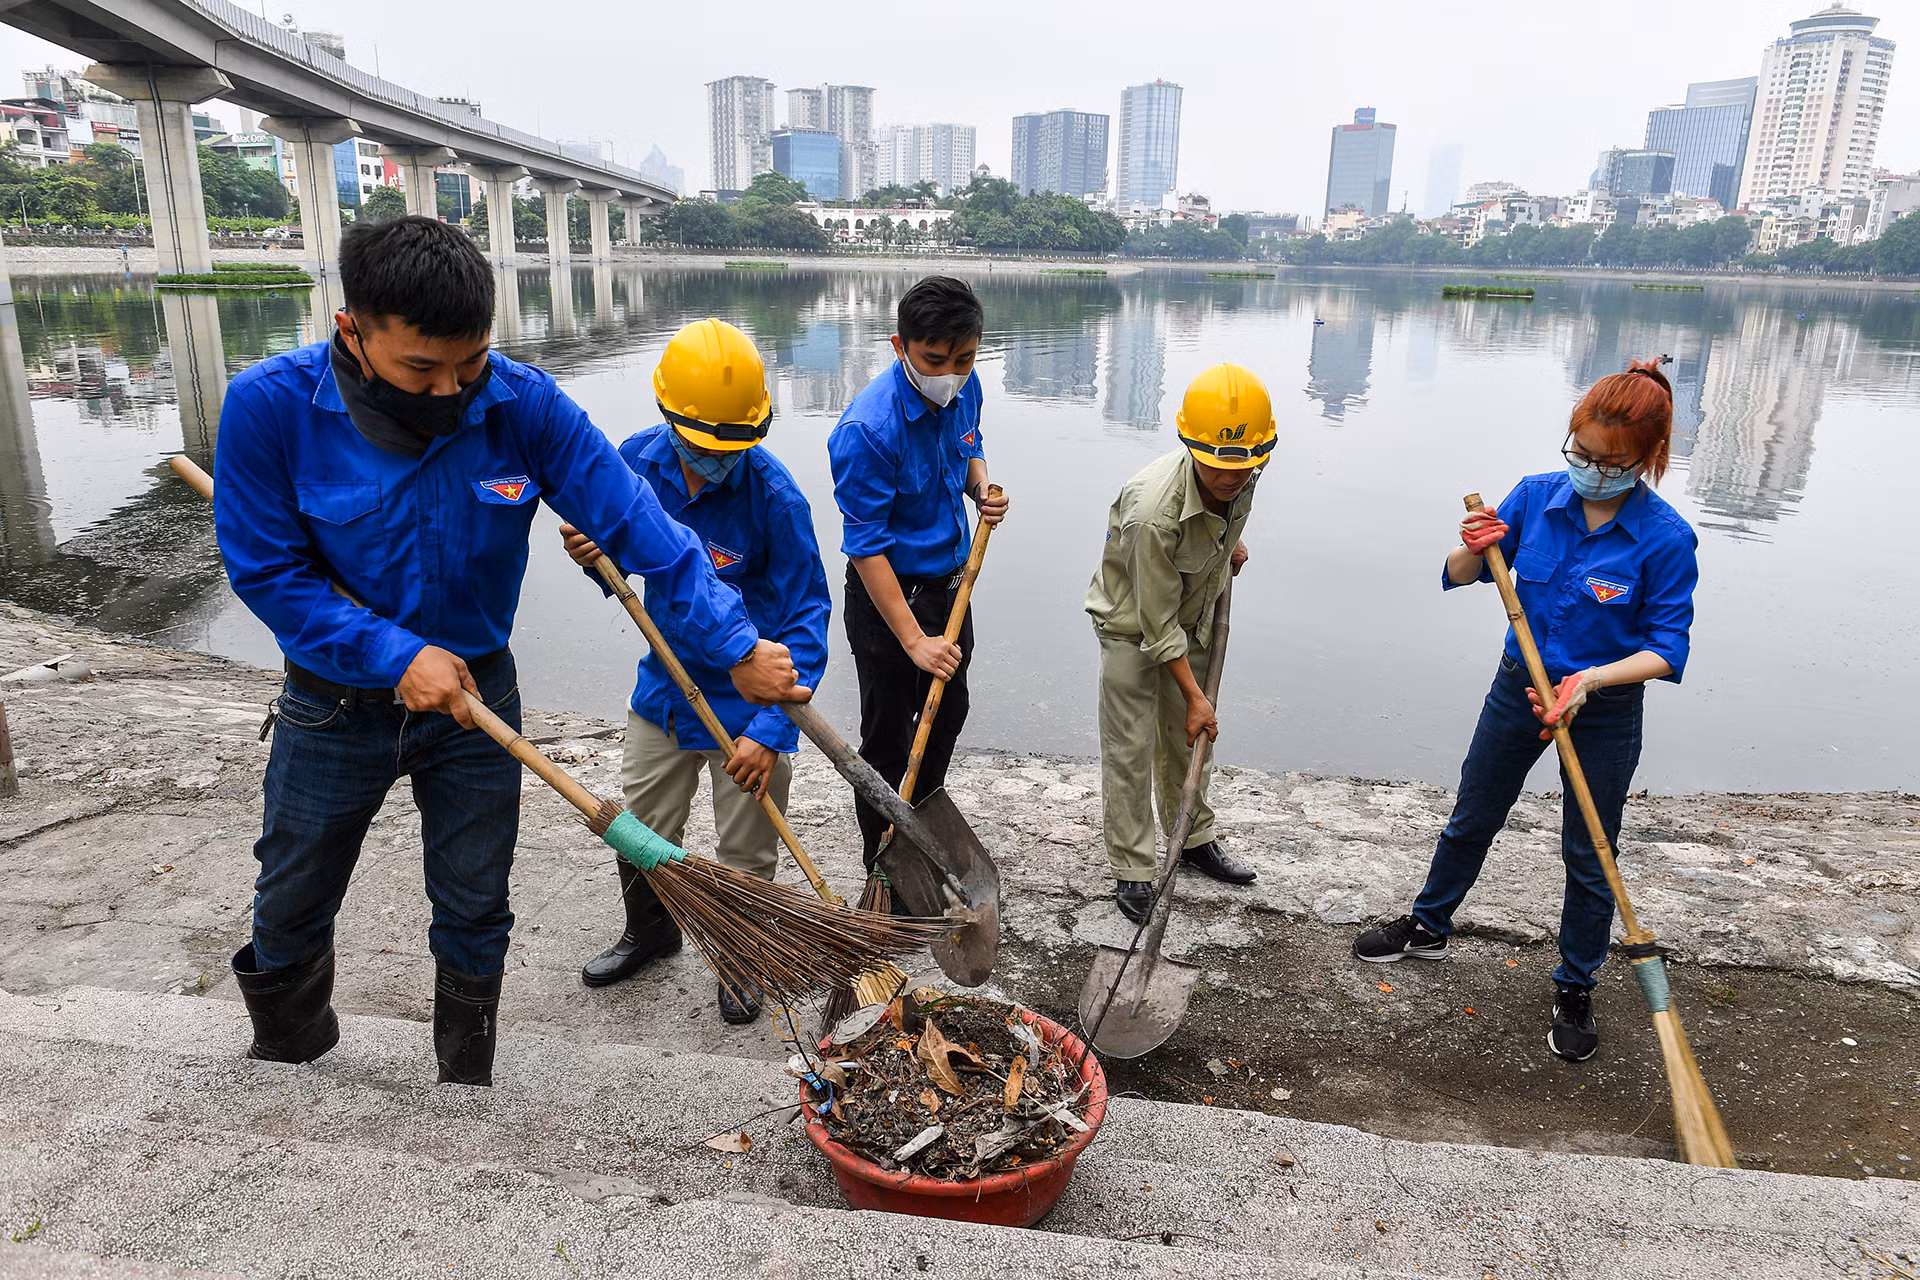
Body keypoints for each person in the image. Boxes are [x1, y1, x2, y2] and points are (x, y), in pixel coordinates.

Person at [211, 217, 803, 1087]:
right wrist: (391, 654)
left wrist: (737, 642)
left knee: (476, 901)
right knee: (294, 891)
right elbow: (268, 575)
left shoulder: (523, 403)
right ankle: (288, 1062)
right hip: (332, 703)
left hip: (478, 701)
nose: (452, 389)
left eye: (471, 361)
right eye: (422, 367)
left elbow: (644, 529)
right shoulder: (268, 408)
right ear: (353, 330)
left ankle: (465, 1082)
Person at [1352, 359, 1698, 1063]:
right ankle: (1429, 925)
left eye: (1610, 461)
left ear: (1646, 458)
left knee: (1590, 850)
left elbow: (1667, 649)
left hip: (1602, 706)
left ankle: (1576, 983)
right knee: (1474, 811)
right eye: (1582, 453)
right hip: (1519, 686)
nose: (1592, 469)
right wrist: (1471, 547)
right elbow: (1459, 574)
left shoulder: (1665, 538)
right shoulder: (1536, 498)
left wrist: (1590, 682)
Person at [557, 319, 830, 1025]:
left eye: (735, 448)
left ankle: (742, 956)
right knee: (640, 824)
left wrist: (769, 732)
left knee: (747, 844)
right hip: (664, 687)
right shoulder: (630, 466)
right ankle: (650, 933)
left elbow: (806, 623)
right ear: (669, 416)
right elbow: (623, 576)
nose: (718, 461)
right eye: (706, 446)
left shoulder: (776, 499)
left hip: (749, 705)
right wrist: (596, 561)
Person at [827, 276, 1009, 867]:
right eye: (935, 359)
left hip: (951, 588)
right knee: (886, 736)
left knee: (948, 711)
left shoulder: (966, 384)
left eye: (964, 358)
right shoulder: (867, 431)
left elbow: (969, 445)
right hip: (889, 602)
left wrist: (981, 488)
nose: (951, 373)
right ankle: (881, 859)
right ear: (899, 346)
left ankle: (921, 822)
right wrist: (914, 642)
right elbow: (867, 547)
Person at [1085, 364, 1271, 923]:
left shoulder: (1245, 470)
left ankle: (1192, 839)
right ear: (1192, 446)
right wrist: (1196, 695)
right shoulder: (1151, 514)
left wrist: (1228, 544)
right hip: (1132, 623)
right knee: (1132, 746)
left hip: (1194, 613)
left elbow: (1232, 503)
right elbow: (1153, 622)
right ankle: (1134, 867)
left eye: (1245, 467)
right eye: (1217, 468)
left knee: (1187, 741)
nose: (1231, 479)